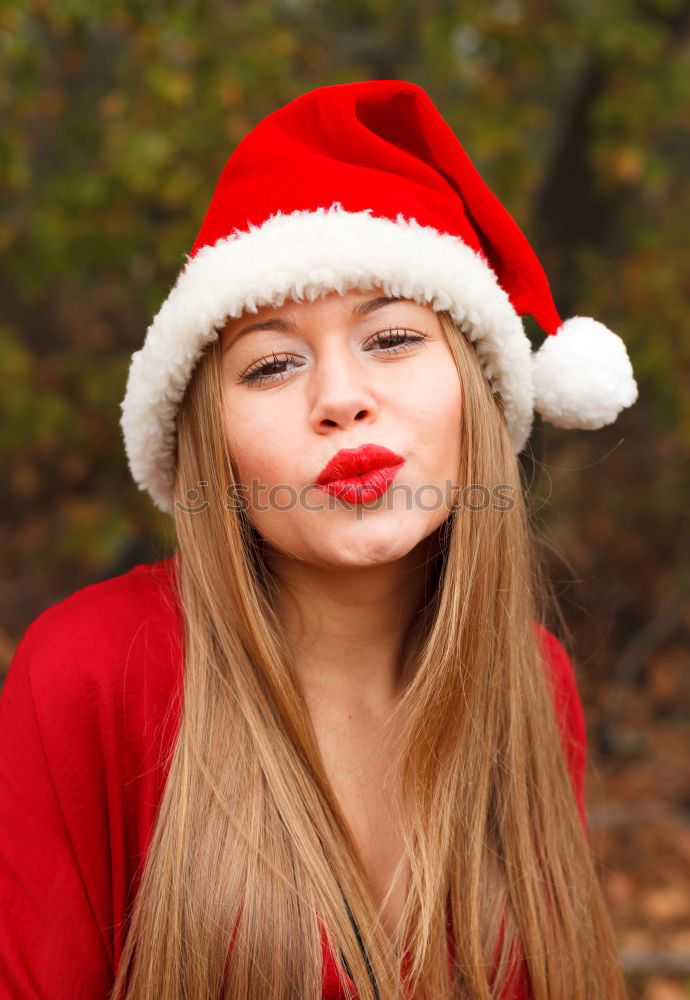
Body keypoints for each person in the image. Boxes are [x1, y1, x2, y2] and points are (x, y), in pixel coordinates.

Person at [0, 80, 637, 1000]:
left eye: (390, 338)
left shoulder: (536, 682)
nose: (339, 397)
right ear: (212, 444)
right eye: (271, 363)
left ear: (477, 395)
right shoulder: (88, 673)